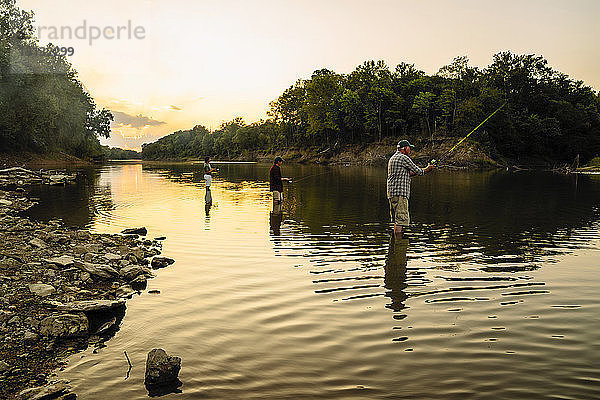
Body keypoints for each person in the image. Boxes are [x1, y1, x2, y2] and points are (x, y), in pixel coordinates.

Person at [387, 139, 434, 237]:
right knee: (401, 220)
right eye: (409, 148)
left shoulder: (393, 158)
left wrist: (423, 169)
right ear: (405, 148)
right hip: (400, 194)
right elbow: (419, 171)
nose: (410, 150)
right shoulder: (404, 158)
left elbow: (407, 173)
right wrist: (428, 169)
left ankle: (395, 245)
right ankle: (399, 245)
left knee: (397, 219)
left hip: (392, 193)